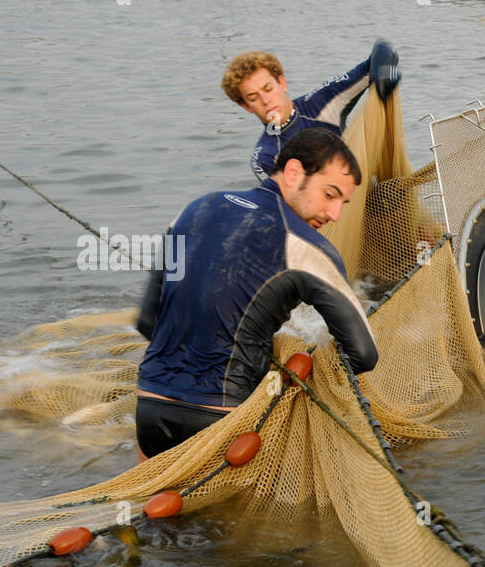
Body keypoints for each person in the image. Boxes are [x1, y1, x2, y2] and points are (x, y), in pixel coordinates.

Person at [134, 128, 379, 459]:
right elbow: (364, 354)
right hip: (222, 419)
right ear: (293, 173)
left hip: (149, 406)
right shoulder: (307, 246)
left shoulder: (194, 209)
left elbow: (147, 321)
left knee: (151, 502)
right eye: (330, 194)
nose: (334, 214)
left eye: (342, 203)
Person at [222, 41, 401, 183]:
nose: (265, 100)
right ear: (246, 106)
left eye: (268, 89)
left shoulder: (321, 100)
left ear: (281, 83)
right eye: (253, 98)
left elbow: (382, 50)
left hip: (370, 196)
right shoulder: (264, 158)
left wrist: (383, 75)